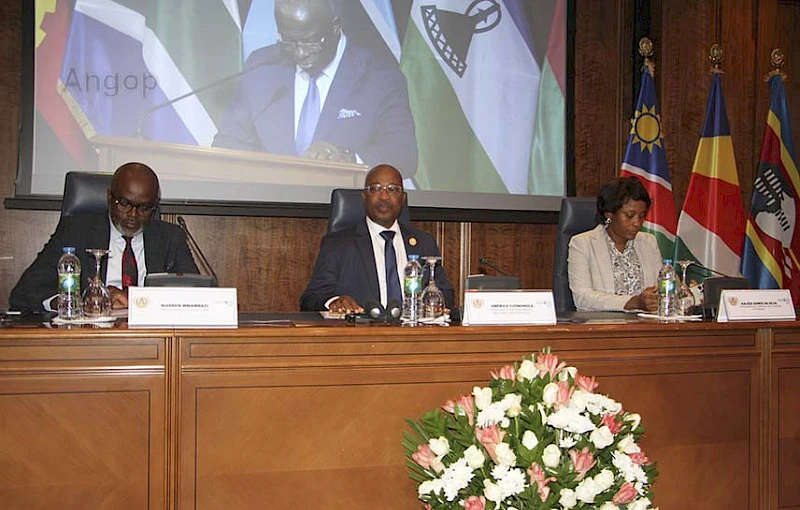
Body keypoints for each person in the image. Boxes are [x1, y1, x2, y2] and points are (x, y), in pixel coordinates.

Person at [213, 0, 418, 178]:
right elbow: (229, 142)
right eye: (289, 42)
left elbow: (403, 155)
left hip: (342, 216)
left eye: (310, 43)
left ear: (335, 26)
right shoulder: (261, 67)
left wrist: (347, 159)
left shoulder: (380, 78)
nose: (300, 54)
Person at [9, 162, 199, 313]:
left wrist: (136, 299)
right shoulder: (75, 231)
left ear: (155, 206)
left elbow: (198, 297)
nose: (133, 215)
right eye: (124, 203)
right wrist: (79, 301)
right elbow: (25, 292)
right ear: (109, 197)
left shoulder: (170, 237)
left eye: (144, 207)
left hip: (153, 338)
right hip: (88, 339)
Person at [300, 164, 454, 313]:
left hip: (413, 334)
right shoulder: (338, 244)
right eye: (376, 189)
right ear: (364, 197)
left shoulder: (424, 243)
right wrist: (335, 301)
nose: (384, 196)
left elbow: (446, 295)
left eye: (393, 189)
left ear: (403, 198)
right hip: (360, 335)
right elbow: (311, 298)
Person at [567, 177, 662, 312]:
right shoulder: (582, 244)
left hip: (647, 327)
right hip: (604, 328)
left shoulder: (648, 242)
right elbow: (582, 298)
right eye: (630, 216)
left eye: (641, 216)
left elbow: (662, 288)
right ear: (609, 215)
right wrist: (633, 302)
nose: (637, 223)